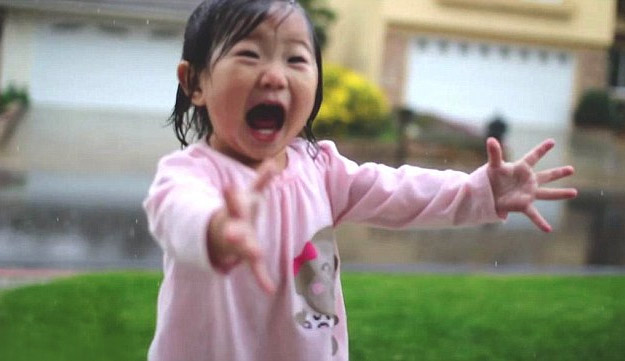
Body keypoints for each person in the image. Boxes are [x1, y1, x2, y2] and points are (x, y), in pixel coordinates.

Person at [143, 1, 577, 360]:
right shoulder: (191, 175)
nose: (275, 75)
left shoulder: (320, 169)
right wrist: (216, 228)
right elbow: (177, 210)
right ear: (194, 81)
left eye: (296, 59)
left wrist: (479, 191)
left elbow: (402, 192)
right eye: (249, 55)